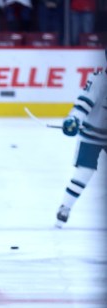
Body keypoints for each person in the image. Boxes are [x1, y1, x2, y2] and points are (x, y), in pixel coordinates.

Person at [56, 56, 106, 227]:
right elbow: (83, 103)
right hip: (91, 134)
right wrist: (74, 119)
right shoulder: (99, 79)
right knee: (84, 172)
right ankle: (65, 207)